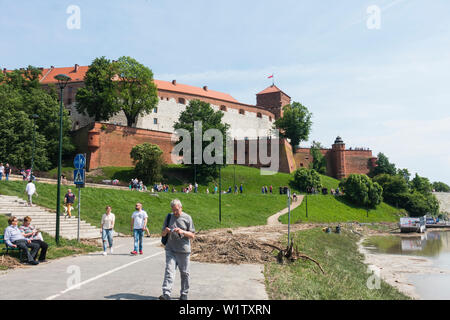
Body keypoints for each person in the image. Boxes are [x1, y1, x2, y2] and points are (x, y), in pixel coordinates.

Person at [160, 199, 195, 301]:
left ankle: (184, 294)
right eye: (173, 210)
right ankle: (166, 293)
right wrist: (166, 231)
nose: (175, 212)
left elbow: (192, 235)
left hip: (183, 250)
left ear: (181, 207)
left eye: (176, 210)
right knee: (169, 271)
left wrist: (182, 231)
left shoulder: (187, 218)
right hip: (170, 249)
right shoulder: (169, 217)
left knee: (184, 273)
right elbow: (162, 234)